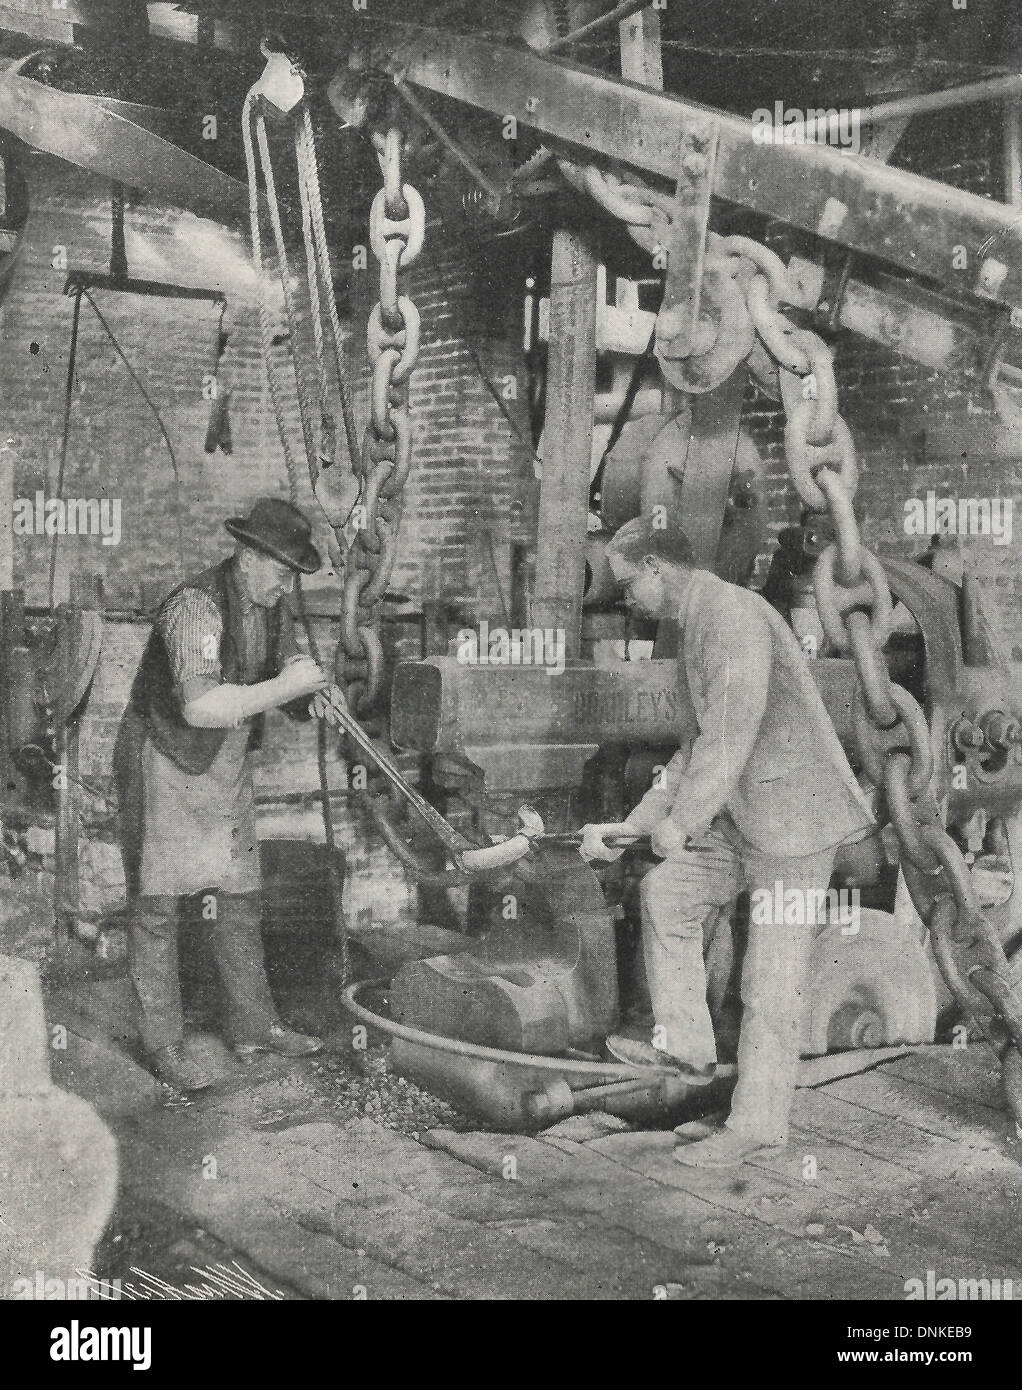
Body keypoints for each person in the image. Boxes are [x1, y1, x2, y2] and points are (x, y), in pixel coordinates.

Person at [580, 512, 875, 1167]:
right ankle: (685, 1047)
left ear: (658, 568)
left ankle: (757, 1127)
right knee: (667, 894)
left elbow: (729, 739)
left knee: (770, 979)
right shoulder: (697, 623)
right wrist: (631, 826)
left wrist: (680, 824)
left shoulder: (732, 617)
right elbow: (694, 748)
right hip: (745, 820)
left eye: (631, 585)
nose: (629, 601)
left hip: (796, 827)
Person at [115, 497, 335, 1092]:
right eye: (282, 569)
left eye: (294, 572)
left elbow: (279, 661)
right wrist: (284, 684)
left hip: (225, 765)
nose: (288, 582)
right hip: (166, 756)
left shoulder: (269, 600)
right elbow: (201, 705)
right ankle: (163, 1044)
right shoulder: (195, 606)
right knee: (158, 908)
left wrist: (303, 687)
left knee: (238, 900)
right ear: (247, 554)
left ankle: (254, 1026)